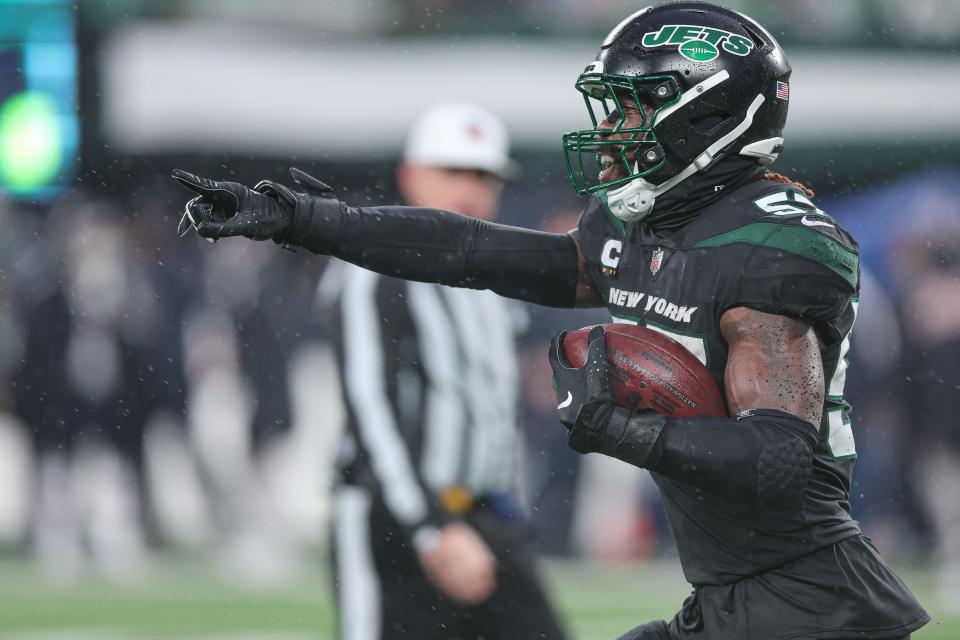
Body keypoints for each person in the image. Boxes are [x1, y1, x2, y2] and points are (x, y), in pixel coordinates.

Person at [172, 2, 929, 638]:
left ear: (706, 115)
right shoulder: (651, 220)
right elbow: (484, 251)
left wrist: (627, 431)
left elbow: (782, 459)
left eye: (636, 105)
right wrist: (313, 221)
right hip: (735, 597)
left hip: (807, 603)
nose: (614, 126)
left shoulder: (769, 245)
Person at [321, 102, 568, 640]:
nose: (469, 189)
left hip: (484, 514)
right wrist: (430, 526)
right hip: (398, 518)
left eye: (483, 175)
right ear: (411, 177)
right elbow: (372, 407)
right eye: (452, 171)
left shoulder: (495, 277)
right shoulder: (373, 269)